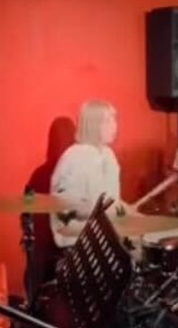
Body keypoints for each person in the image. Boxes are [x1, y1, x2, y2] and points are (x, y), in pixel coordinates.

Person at [50, 100, 128, 247]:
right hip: (77, 241)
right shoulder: (73, 157)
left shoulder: (108, 155)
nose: (114, 126)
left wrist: (122, 210)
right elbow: (65, 208)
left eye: (114, 119)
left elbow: (112, 199)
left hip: (103, 234)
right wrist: (104, 213)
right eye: (107, 121)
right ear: (93, 125)